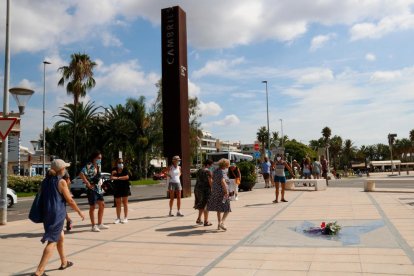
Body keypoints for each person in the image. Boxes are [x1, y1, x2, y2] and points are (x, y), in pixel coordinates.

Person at [32, 159, 85, 276]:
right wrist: (79, 212)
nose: (65, 170)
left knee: (59, 237)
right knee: (52, 241)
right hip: (56, 215)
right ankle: (39, 271)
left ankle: (64, 262)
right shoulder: (61, 182)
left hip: (47, 214)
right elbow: (70, 200)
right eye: (65, 168)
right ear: (61, 169)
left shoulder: (45, 181)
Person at [80, 151, 109, 232]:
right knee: (92, 207)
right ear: (94, 158)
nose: (100, 159)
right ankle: (93, 225)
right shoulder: (89, 165)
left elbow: (98, 176)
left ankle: (100, 224)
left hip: (99, 189)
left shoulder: (99, 166)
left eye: (101, 158)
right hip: (92, 189)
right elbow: (81, 174)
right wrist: (87, 183)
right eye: (98, 158)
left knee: (102, 205)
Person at [207, 158, 231, 231]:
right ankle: (222, 223)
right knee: (227, 208)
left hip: (216, 191)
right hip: (222, 192)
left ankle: (218, 224)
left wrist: (213, 189)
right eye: (228, 164)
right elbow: (223, 181)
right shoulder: (222, 171)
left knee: (219, 208)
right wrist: (226, 191)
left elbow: (212, 180)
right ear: (225, 164)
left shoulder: (215, 171)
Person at [193, 159, 213, 226]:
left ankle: (199, 219)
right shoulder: (208, 171)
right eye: (210, 165)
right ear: (207, 164)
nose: (211, 166)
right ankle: (206, 221)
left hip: (197, 189)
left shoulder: (199, 170)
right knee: (206, 206)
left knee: (201, 204)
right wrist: (213, 189)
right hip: (205, 190)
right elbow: (210, 181)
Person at [111, 158, 130, 224]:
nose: (120, 164)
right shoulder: (114, 170)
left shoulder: (125, 169)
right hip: (117, 187)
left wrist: (118, 178)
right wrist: (112, 175)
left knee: (125, 203)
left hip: (125, 187)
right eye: (119, 162)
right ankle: (118, 218)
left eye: (122, 162)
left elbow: (127, 177)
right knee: (118, 203)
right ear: (117, 163)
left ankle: (125, 218)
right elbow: (111, 178)